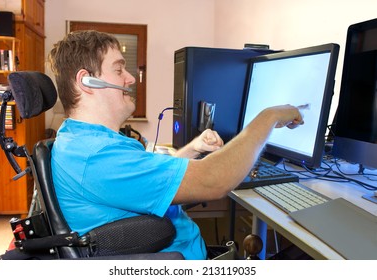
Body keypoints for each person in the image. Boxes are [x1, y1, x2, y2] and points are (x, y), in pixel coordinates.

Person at [48, 30, 305, 260]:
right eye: (118, 70)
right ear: (87, 82)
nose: (130, 78)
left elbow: (147, 183)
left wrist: (193, 148)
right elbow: (214, 180)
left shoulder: (81, 140)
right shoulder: (97, 156)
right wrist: (269, 117)